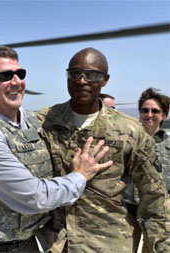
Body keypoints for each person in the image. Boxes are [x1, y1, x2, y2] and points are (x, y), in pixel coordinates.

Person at [0, 46, 113, 253]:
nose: (16, 81)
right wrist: (80, 175)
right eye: (5, 76)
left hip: (25, 244)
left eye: (20, 74)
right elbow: (35, 197)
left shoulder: (32, 120)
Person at [37, 47, 170, 252]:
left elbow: (154, 196)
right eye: (75, 74)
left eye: (91, 75)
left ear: (105, 79)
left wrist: (162, 246)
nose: (82, 80)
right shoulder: (45, 121)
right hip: (56, 243)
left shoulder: (130, 131)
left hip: (107, 243)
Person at [122, 87, 170, 252]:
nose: (149, 115)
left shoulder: (168, 147)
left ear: (164, 115)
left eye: (155, 111)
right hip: (127, 212)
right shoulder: (126, 143)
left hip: (158, 216)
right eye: (145, 110)